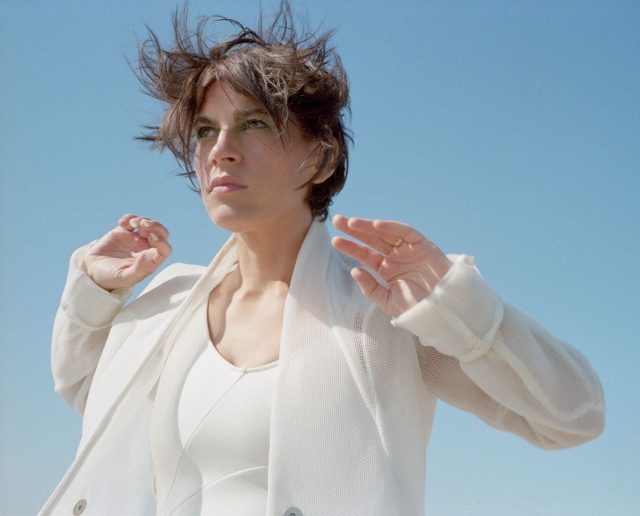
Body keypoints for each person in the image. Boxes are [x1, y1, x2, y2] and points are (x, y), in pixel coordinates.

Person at [41, 4, 605, 516]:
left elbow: (573, 418)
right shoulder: (171, 298)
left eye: (255, 123)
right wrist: (93, 291)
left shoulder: (380, 310)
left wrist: (460, 308)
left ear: (321, 157)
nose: (220, 151)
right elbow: (91, 396)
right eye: (206, 131)